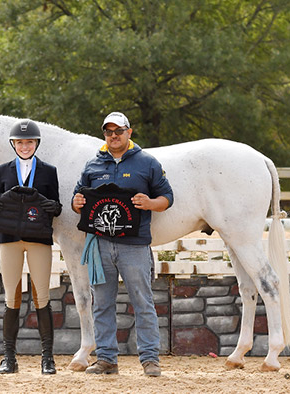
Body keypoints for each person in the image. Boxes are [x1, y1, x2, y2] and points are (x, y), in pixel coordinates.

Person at [72, 112, 173, 377]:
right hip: (100, 244)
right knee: (102, 303)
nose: (114, 135)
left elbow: (167, 197)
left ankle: (150, 359)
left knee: (143, 302)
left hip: (135, 245)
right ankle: (106, 359)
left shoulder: (148, 163)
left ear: (130, 132)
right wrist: (76, 203)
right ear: (104, 134)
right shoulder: (92, 165)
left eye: (119, 130)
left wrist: (151, 204)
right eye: (108, 131)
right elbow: (77, 195)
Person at [0, 119, 62, 375]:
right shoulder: (3, 170)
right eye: (20, 142)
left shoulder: (49, 171)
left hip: (38, 238)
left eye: (29, 142)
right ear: (14, 144)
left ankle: (47, 358)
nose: (25, 146)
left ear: (36, 143)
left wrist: (55, 208)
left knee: (42, 295)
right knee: (11, 296)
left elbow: (56, 204)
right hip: (9, 239)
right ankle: (9, 357)